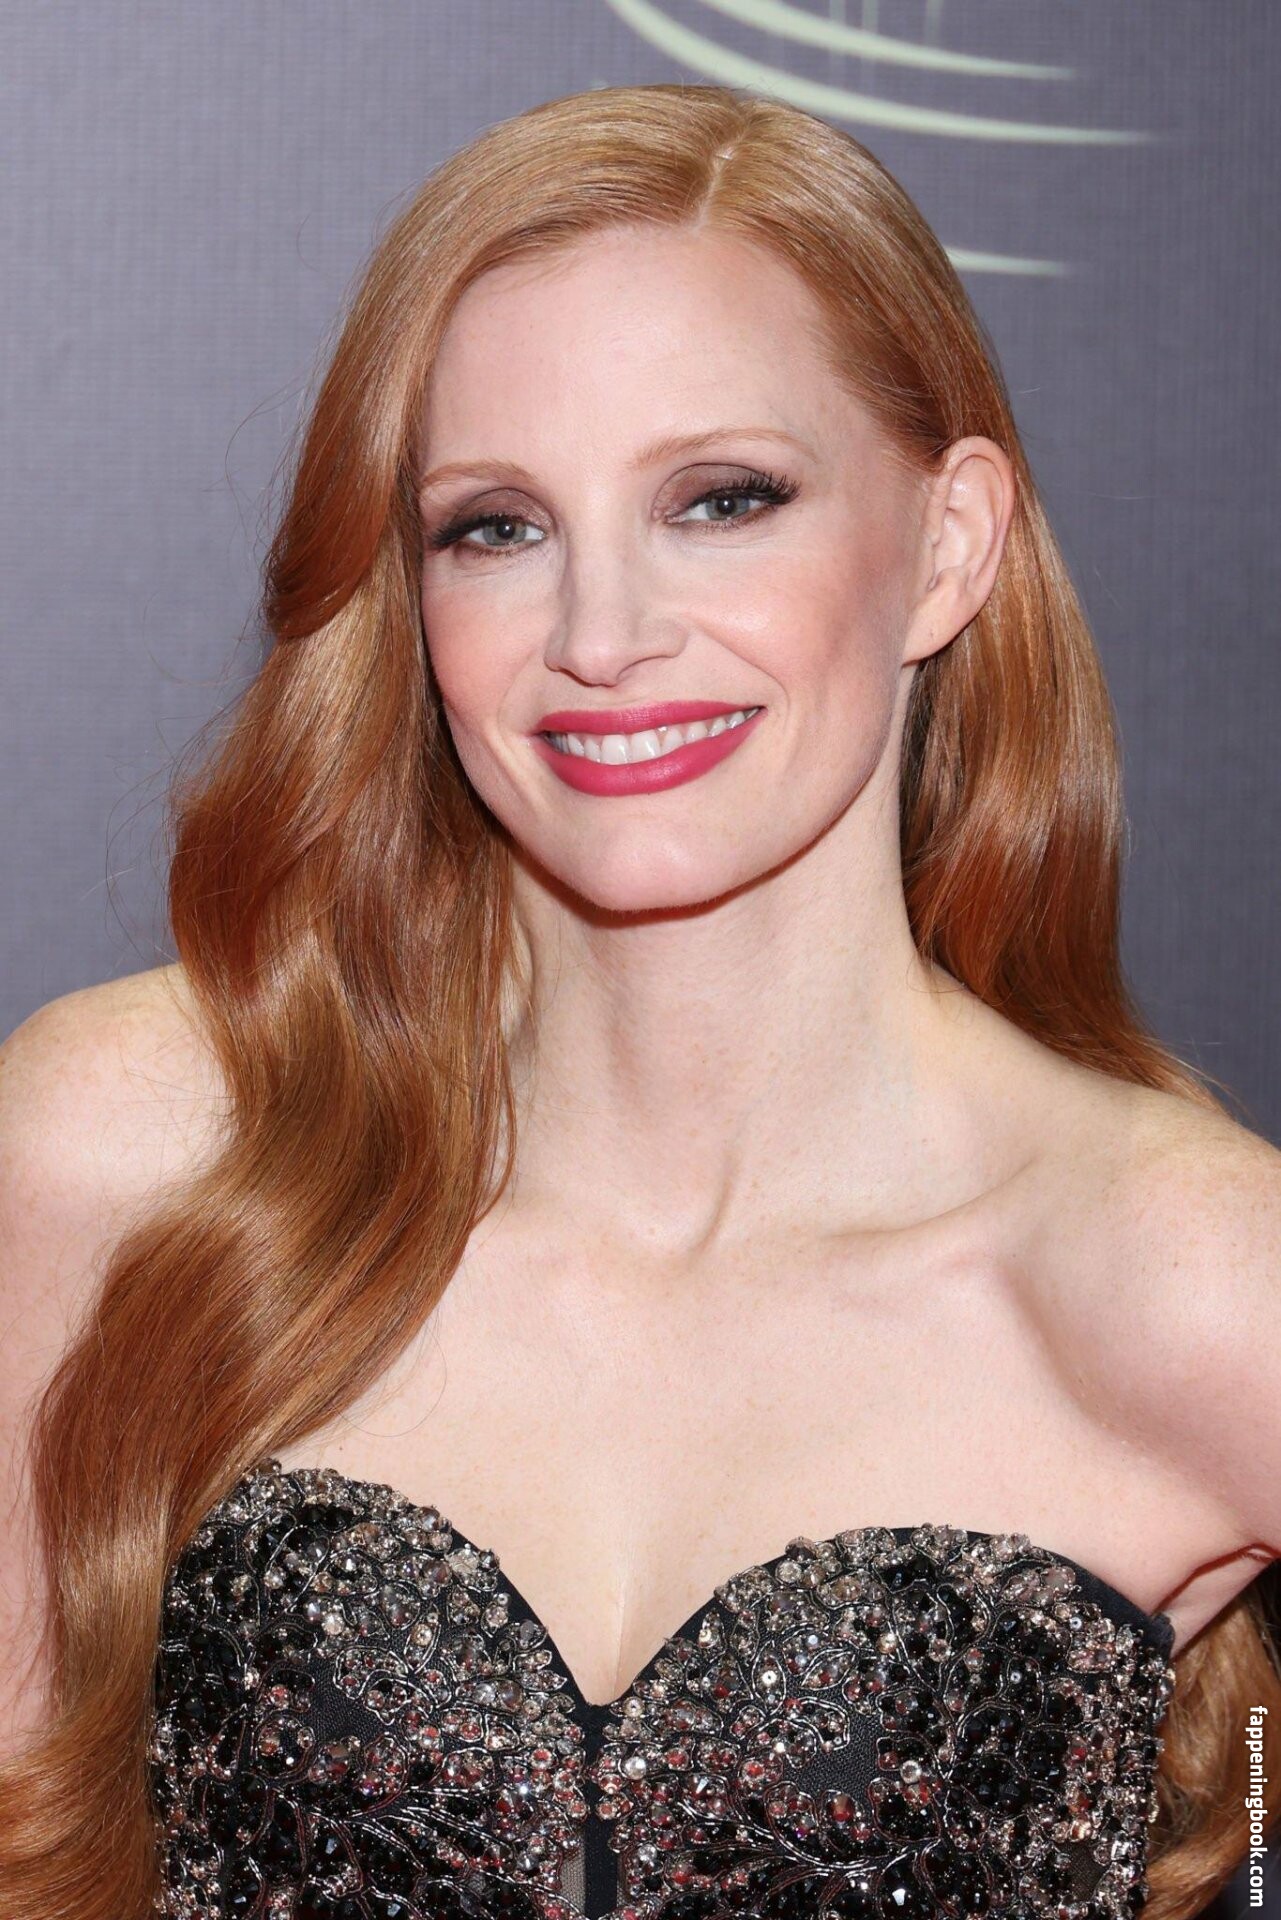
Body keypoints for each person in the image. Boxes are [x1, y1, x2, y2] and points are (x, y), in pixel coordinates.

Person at [0, 80, 1276, 1920]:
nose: (600, 636)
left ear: (946, 544)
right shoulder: (135, 1152)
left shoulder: (1185, 1274)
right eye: (494, 528)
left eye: (721, 500)